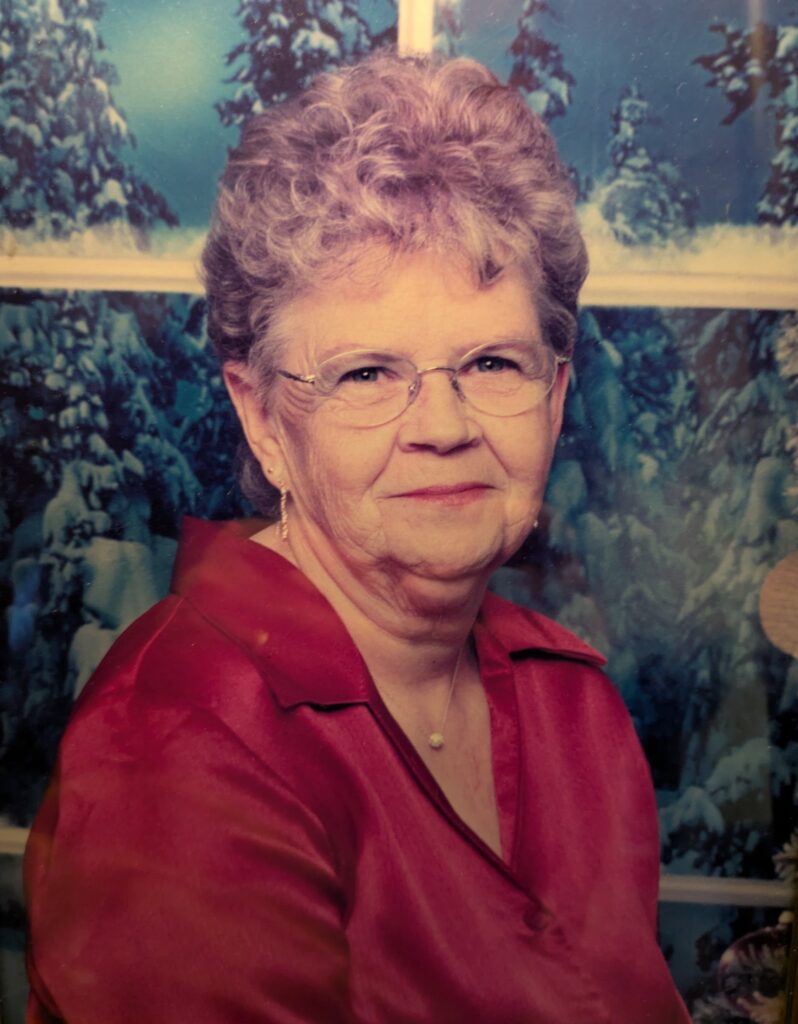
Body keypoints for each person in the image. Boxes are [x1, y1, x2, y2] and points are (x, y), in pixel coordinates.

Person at [24, 53, 690, 1023]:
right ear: (261, 418)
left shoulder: (575, 705)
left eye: (492, 363)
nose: (443, 426)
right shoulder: (175, 745)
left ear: (554, 396)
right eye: (367, 373)